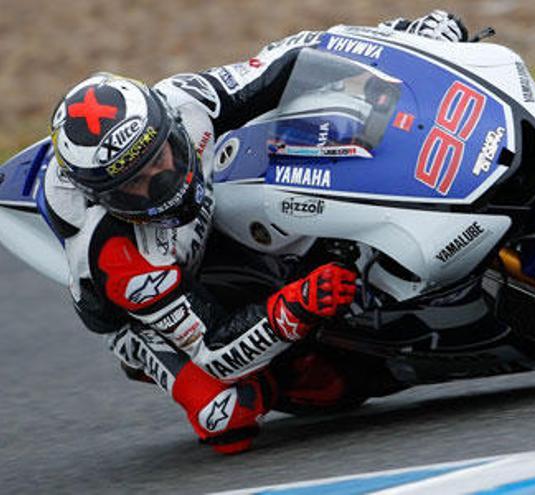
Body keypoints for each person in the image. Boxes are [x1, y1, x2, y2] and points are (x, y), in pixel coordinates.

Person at [43, 11, 469, 455]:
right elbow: (213, 350)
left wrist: (404, 38)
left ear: (167, 125)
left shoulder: (187, 102)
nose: (163, 180)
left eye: (163, 156)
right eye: (136, 184)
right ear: (105, 198)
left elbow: (290, 57)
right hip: (146, 316)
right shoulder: (120, 257)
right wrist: (299, 304)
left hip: (204, 222)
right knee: (227, 415)